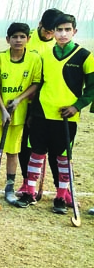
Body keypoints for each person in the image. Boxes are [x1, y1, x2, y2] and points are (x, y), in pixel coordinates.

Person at [14, 14, 94, 213]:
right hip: (42, 114)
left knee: (63, 157)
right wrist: (32, 113)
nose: (63, 33)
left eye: (67, 29)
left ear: (74, 31)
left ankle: (61, 196)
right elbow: (39, 85)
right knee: (36, 154)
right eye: (59, 30)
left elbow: (91, 88)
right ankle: (29, 192)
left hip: (66, 117)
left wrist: (76, 106)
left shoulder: (85, 56)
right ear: (53, 32)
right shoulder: (45, 56)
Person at [0, 23, 41, 205]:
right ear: (7, 39)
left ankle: (9, 188)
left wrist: (19, 99)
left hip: (19, 115)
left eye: (22, 36)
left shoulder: (34, 59)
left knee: (13, 152)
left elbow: (35, 83)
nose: (18, 40)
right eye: (14, 37)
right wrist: (3, 109)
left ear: (27, 39)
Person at [18, 8, 64, 197]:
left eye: (53, 31)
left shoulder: (60, 42)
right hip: (29, 101)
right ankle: (26, 181)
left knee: (56, 148)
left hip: (50, 102)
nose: (50, 34)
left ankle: (61, 188)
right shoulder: (28, 40)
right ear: (39, 25)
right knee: (27, 144)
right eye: (46, 30)